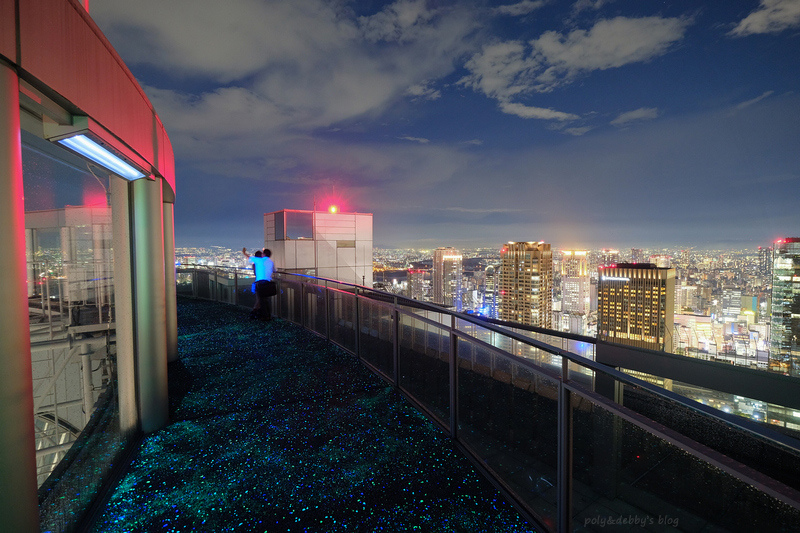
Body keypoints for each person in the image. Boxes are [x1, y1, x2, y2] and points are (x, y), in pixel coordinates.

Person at [243, 247, 275, 321]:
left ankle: (264, 316)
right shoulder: (271, 262)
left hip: (260, 282)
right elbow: (274, 270)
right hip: (268, 282)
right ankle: (268, 315)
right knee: (266, 300)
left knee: (261, 300)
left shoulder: (259, 260)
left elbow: (249, 258)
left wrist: (244, 252)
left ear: (263, 254)